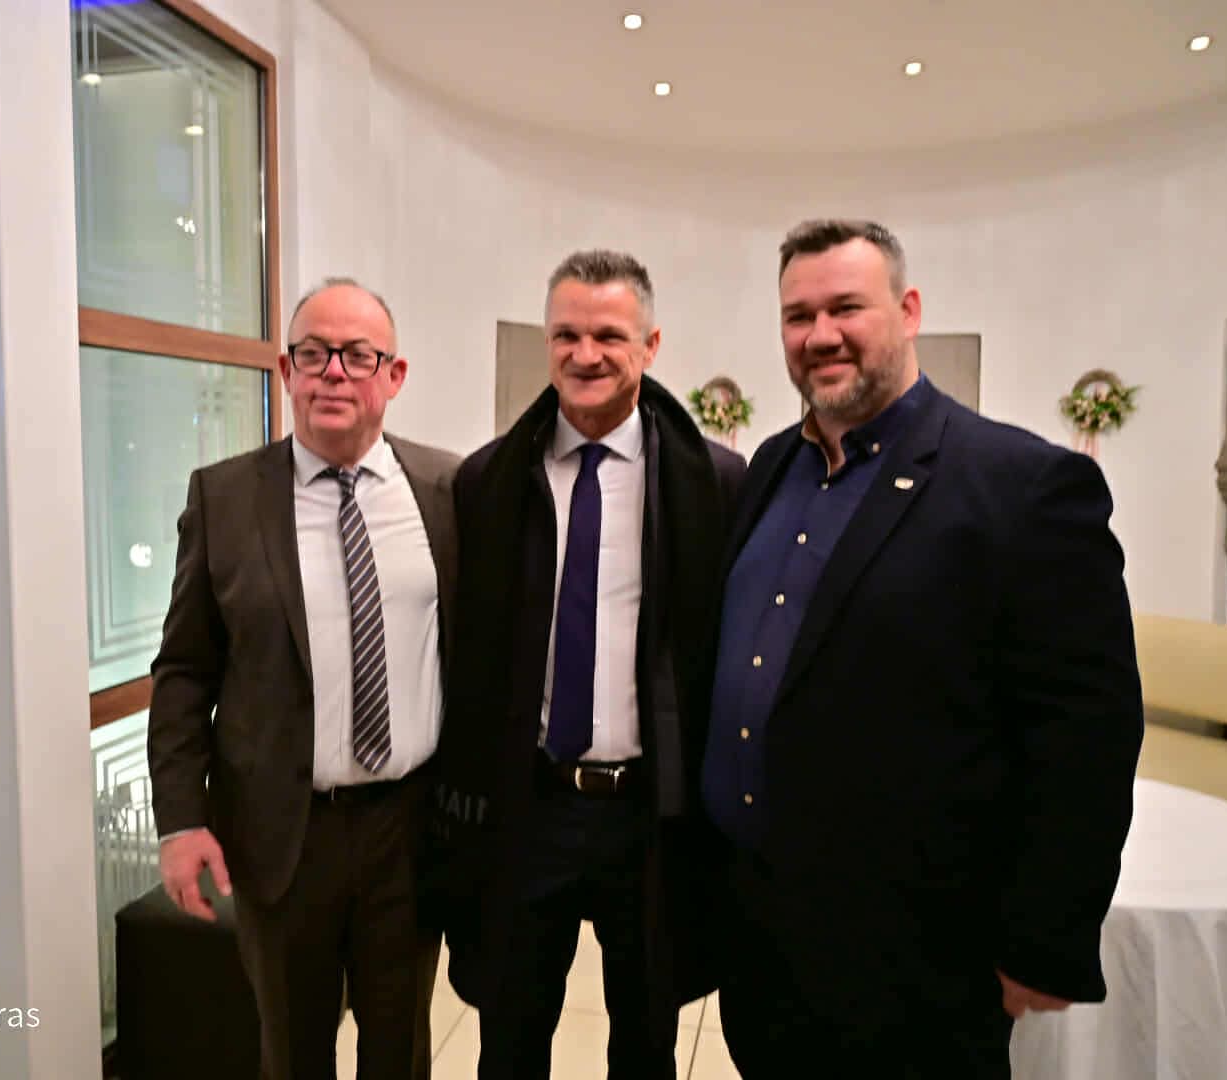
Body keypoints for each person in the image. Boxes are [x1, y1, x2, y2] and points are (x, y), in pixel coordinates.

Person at [703, 218, 1143, 1078]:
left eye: (846, 308)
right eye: (798, 315)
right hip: (760, 927)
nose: (820, 334)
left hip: (916, 954)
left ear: (907, 312)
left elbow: (1086, 735)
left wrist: (1045, 940)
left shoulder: (1022, 486)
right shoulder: (769, 467)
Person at [428, 250, 745, 1079]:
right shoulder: (491, 480)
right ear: (547, 342)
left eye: (609, 335)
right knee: (510, 1041)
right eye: (567, 334)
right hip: (530, 807)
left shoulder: (714, 484)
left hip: (651, 815)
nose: (586, 353)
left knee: (645, 1044)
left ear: (650, 345)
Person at [147, 278, 458, 1080]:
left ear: (394, 375)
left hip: (409, 832)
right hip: (281, 837)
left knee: (401, 1054)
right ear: (287, 371)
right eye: (313, 353)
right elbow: (184, 673)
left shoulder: (448, 492)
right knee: (291, 1054)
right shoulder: (225, 498)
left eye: (358, 355)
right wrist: (179, 821)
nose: (334, 372)